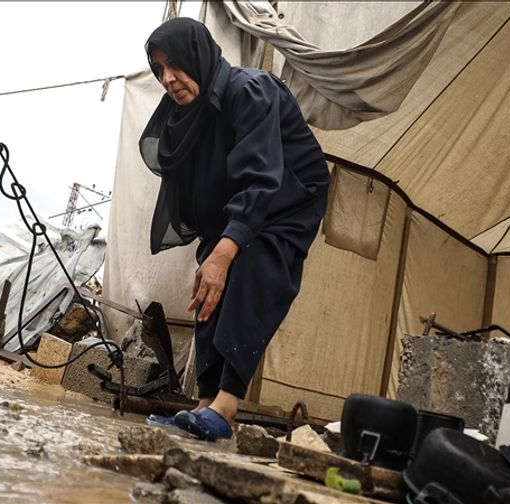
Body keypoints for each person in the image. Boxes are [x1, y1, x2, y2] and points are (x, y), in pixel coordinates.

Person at [139, 18, 330, 441]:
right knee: (208, 282)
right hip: (239, 204)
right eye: (159, 69)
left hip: (288, 198)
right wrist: (216, 254)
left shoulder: (250, 91)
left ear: (198, 56)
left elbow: (261, 178)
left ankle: (225, 407)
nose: (168, 79)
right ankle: (205, 403)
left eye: (176, 64)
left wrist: (228, 252)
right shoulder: (189, 114)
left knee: (252, 268)